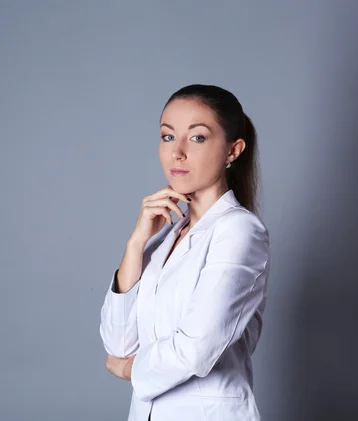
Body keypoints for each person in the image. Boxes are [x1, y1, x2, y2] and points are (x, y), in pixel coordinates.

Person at [99, 84, 270, 421]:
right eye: (167, 136)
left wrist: (130, 370)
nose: (176, 152)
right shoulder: (167, 237)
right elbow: (118, 343)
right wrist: (136, 244)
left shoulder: (238, 230)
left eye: (197, 137)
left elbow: (197, 348)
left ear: (233, 151)